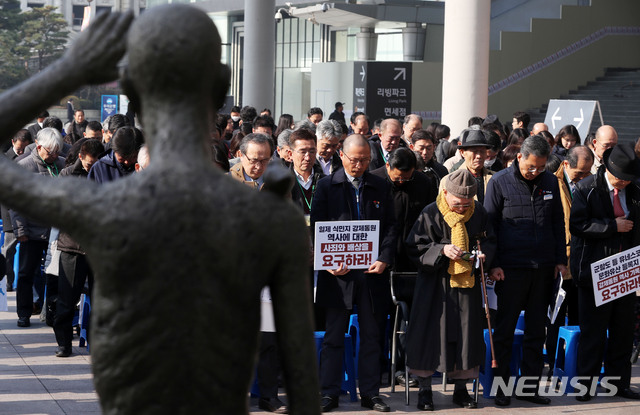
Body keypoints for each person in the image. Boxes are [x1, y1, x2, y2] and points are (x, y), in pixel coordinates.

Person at [311, 134, 397, 413]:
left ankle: (371, 393)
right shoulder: (326, 186)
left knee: (372, 336)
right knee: (334, 336)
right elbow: (317, 228)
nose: (359, 165)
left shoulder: (381, 185)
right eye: (354, 159)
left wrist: (384, 258)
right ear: (342, 156)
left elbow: (392, 227)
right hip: (337, 275)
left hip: (372, 274)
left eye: (364, 160)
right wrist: (330, 261)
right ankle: (329, 393)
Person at [485, 135, 567, 406]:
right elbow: (490, 227)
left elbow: (557, 223)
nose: (535, 172)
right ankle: (502, 387)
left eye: (541, 167)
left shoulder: (550, 182)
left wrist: (559, 260)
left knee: (536, 331)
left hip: (543, 268)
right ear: (519, 157)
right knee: (505, 330)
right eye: (531, 166)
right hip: (510, 269)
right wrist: (494, 263)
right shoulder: (498, 182)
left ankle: (529, 387)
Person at [406, 169, 496, 410]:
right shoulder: (430, 213)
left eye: (467, 205)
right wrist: (442, 250)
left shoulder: (480, 213)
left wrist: (484, 256)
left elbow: (490, 240)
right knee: (429, 335)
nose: (461, 209)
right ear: (445, 193)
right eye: (457, 204)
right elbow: (414, 247)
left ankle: (461, 389)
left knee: (466, 336)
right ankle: (424, 390)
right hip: (434, 286)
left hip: (467, 284)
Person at [570, 143, 640, 401]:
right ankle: (585, 386)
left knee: (622, 333)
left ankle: (618, 384)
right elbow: (577, 225)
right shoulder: (586, 189)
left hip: (626, 270)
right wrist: (612, 226)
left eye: (628, 179)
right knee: (593, 333)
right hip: (595, 271)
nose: (623, 183)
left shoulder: (634, 191)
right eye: (620, 179)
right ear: (609, 169)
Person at [53, 139, 104, 357]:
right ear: (81, 157)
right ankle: (64, 343)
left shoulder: (104, 174)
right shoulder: (67, 175)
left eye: (95, 163)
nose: (91, 167)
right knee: (67, 299)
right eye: (88, 163)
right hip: (72, 247)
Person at [545, 145, 593, 375]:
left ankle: (574, 363)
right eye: (579, 173)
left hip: (583, 260)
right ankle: (555, 363)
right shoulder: (551, 183)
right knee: (555, 316)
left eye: (588, 173)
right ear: (565, 165)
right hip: (560, 262)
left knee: (578, 315)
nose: (583, 178)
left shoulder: (591, 185)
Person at [11, 128, 66, 327]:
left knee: (53, 274)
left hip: (56, 231)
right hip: (31, 231)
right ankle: (24, 313)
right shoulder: (24, 166)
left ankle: (50, 312)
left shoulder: (61, 163)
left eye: (57, 151)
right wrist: (21, 230)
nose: (55, 155)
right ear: (39, 146)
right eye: (51, 152)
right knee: (26, 272)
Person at [441, 129, 493, 205]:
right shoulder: (448, 180)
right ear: (462, 152)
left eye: (482, 151)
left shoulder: (495, 178)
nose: (479, 156)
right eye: (474, 151)